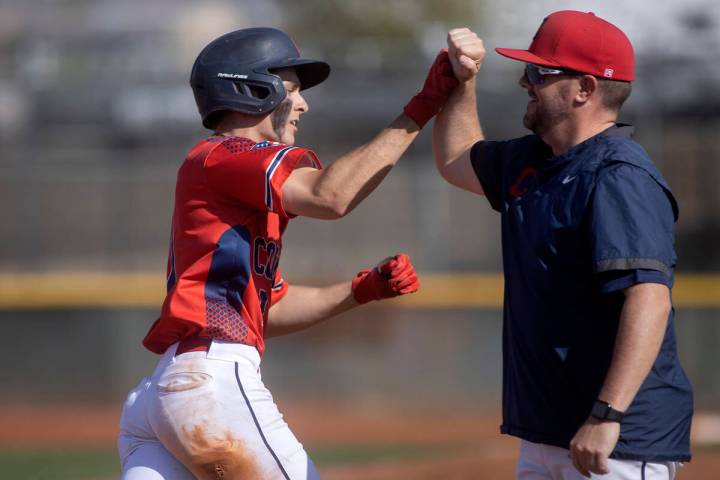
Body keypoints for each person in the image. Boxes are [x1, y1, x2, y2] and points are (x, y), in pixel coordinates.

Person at [117, 27, 455, 480]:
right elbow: (331, 195)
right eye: (292, 90)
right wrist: (421, 109)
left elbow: (266, 309)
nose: (303, 104)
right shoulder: (227, 155)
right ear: (253, 89)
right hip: (210, 383)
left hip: (168, 390)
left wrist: (359, 291)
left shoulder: (226, 177)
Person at [432, 11, 693, 480]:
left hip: (616, 442)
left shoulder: (618, 175)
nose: (524, 83)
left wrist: (607, 415)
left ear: (585, 89)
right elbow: (456, 159)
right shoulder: (535, 160)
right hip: (548, 433)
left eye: (539, 73)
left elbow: (649, 298)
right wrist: (462, 80)